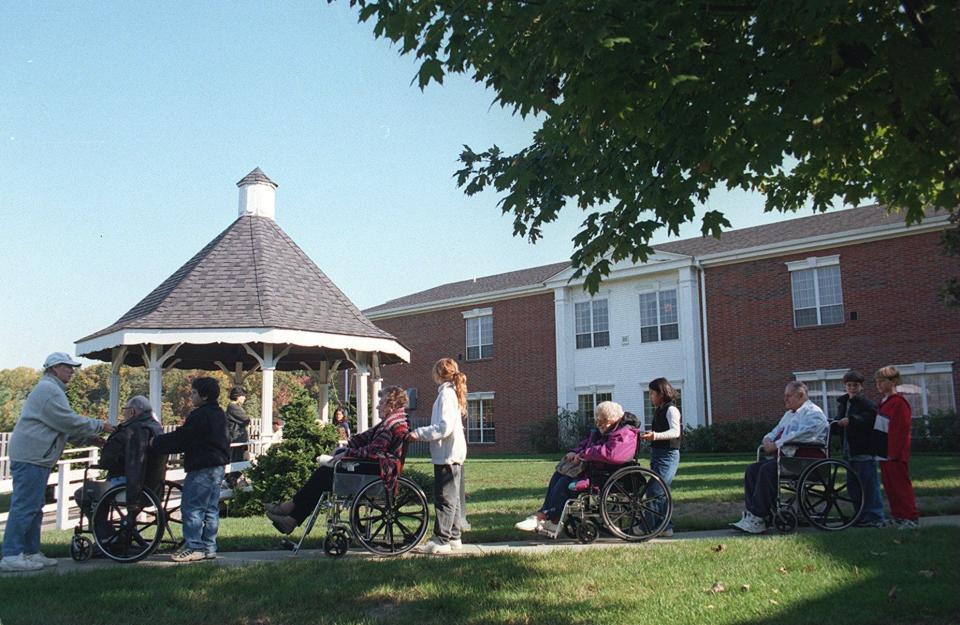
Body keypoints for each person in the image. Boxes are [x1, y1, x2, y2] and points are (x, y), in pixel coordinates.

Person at [1, 352, 114, 573]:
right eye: (67, 366)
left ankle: (31, 552)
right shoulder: (49, 391)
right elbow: (66, 421)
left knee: (35, 507)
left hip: (37, 456)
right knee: (25, 506)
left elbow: (60, 428)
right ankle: (11, 555)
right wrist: (100, 425)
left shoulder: (51, 390)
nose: (72, 370)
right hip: (31, 457)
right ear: (54, 368)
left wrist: (88, 438)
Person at [264, 386, 410, 533]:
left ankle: (290, 513)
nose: (378, 406)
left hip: (377, 471)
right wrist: (343, 449)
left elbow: (374, 451)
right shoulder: (390, 422)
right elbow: (364, 438)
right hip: (374, 467)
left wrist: (347, 452)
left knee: (323, 475)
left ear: (391, 405)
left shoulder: (394, 425)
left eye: (381, 402)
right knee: (323, 475)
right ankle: (291, 515)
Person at [515, 401, 638, 536]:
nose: (598, 424)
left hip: (608, 476)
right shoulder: (605, 430)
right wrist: (575, 452)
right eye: (597, 420)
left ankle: (544, 517)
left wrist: (585, 454)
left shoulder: (625, 433)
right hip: (594, 471)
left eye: (602, 420)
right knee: (559, 475)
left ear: (613, 420)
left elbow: (613, 454)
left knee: (566, 482)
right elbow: (586, 444)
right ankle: (550, 517)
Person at [730, 381, 829, 534]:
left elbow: (803, 435)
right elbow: (775, 431)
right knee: (752, 469)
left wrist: (777, 444)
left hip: (807, 462)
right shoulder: (789, 414)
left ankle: (758, 516)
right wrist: (768, 440)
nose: (785, 399)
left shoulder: (814, 414)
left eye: (788, 396)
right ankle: (754, 515)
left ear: (801, 395)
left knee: (767, 470)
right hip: (789, 460)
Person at [153, 377, 230, 562]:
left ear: (204, 396)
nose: (191, 395)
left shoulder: (200, 415)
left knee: (192, 507)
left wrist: (156, 442)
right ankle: (209, 546)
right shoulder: (220, 414)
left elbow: (183, 438)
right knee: (211, 508)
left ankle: (194, 546)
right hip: (217, 466)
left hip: (201, 466)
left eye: (194, 392)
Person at [407, 358, 468, 555]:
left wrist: (418, 433)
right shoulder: (451, 394)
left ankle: (441, 539)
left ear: (437, 374)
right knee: (454, 497)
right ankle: (454, 536)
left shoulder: (446, 395)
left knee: (445, 497)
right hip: (453, 452)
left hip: (447, 453)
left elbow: (444, 428)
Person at [74, 395, 164, 524]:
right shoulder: (156, 429)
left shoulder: (127, 431)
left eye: (125, 409)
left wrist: (106, 446)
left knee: (83, 494)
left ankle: (104, 533)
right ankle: (111, 535)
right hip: (152, 485)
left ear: (132, 411)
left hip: (128, 484)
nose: (124, 413)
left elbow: (106, 462)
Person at [833, 370, 886, 527]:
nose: (852, 388)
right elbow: (839, 422)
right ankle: (860, 516)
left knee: (869, 485)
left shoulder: (866, 403)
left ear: (861, 387)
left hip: (863, 450)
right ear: (845, 387)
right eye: (849, 385)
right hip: (849, 451)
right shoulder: (843, 403)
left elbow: (870, 420)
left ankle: (875, 517)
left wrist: (852, 420)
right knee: (854, 487)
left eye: (855, 385)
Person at [874, 365, 919, 529]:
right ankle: (898, 516)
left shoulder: (899, 403)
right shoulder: (883, 402)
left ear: (893, 381)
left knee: (901, 486)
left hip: (895, 454)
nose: (878, 384)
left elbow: (900, 430)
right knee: (890, 487)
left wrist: (893, 452)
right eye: (877, 381)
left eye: (882, 381)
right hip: (883, 452)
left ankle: (911, 518)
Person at [637, 378, 682, 536]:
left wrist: (654, 436)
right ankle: (666, 526)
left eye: (652, 393)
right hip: (658, 454)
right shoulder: (659, 409)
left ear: (661, 393)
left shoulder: (671, 410)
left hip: (668, 455)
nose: (650, 397)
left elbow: (675, 432)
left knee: (655, 490)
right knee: (662, 491)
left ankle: (648, 527)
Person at [226, 387, 250, 464]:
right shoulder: (233, 407)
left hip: (239, 439)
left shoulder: (235, 407)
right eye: (243, 396)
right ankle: (233, 476)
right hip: (236, 439)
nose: (244, 398)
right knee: (236, 461)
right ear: (237, 396)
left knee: (239, 461)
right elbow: (246, 419)